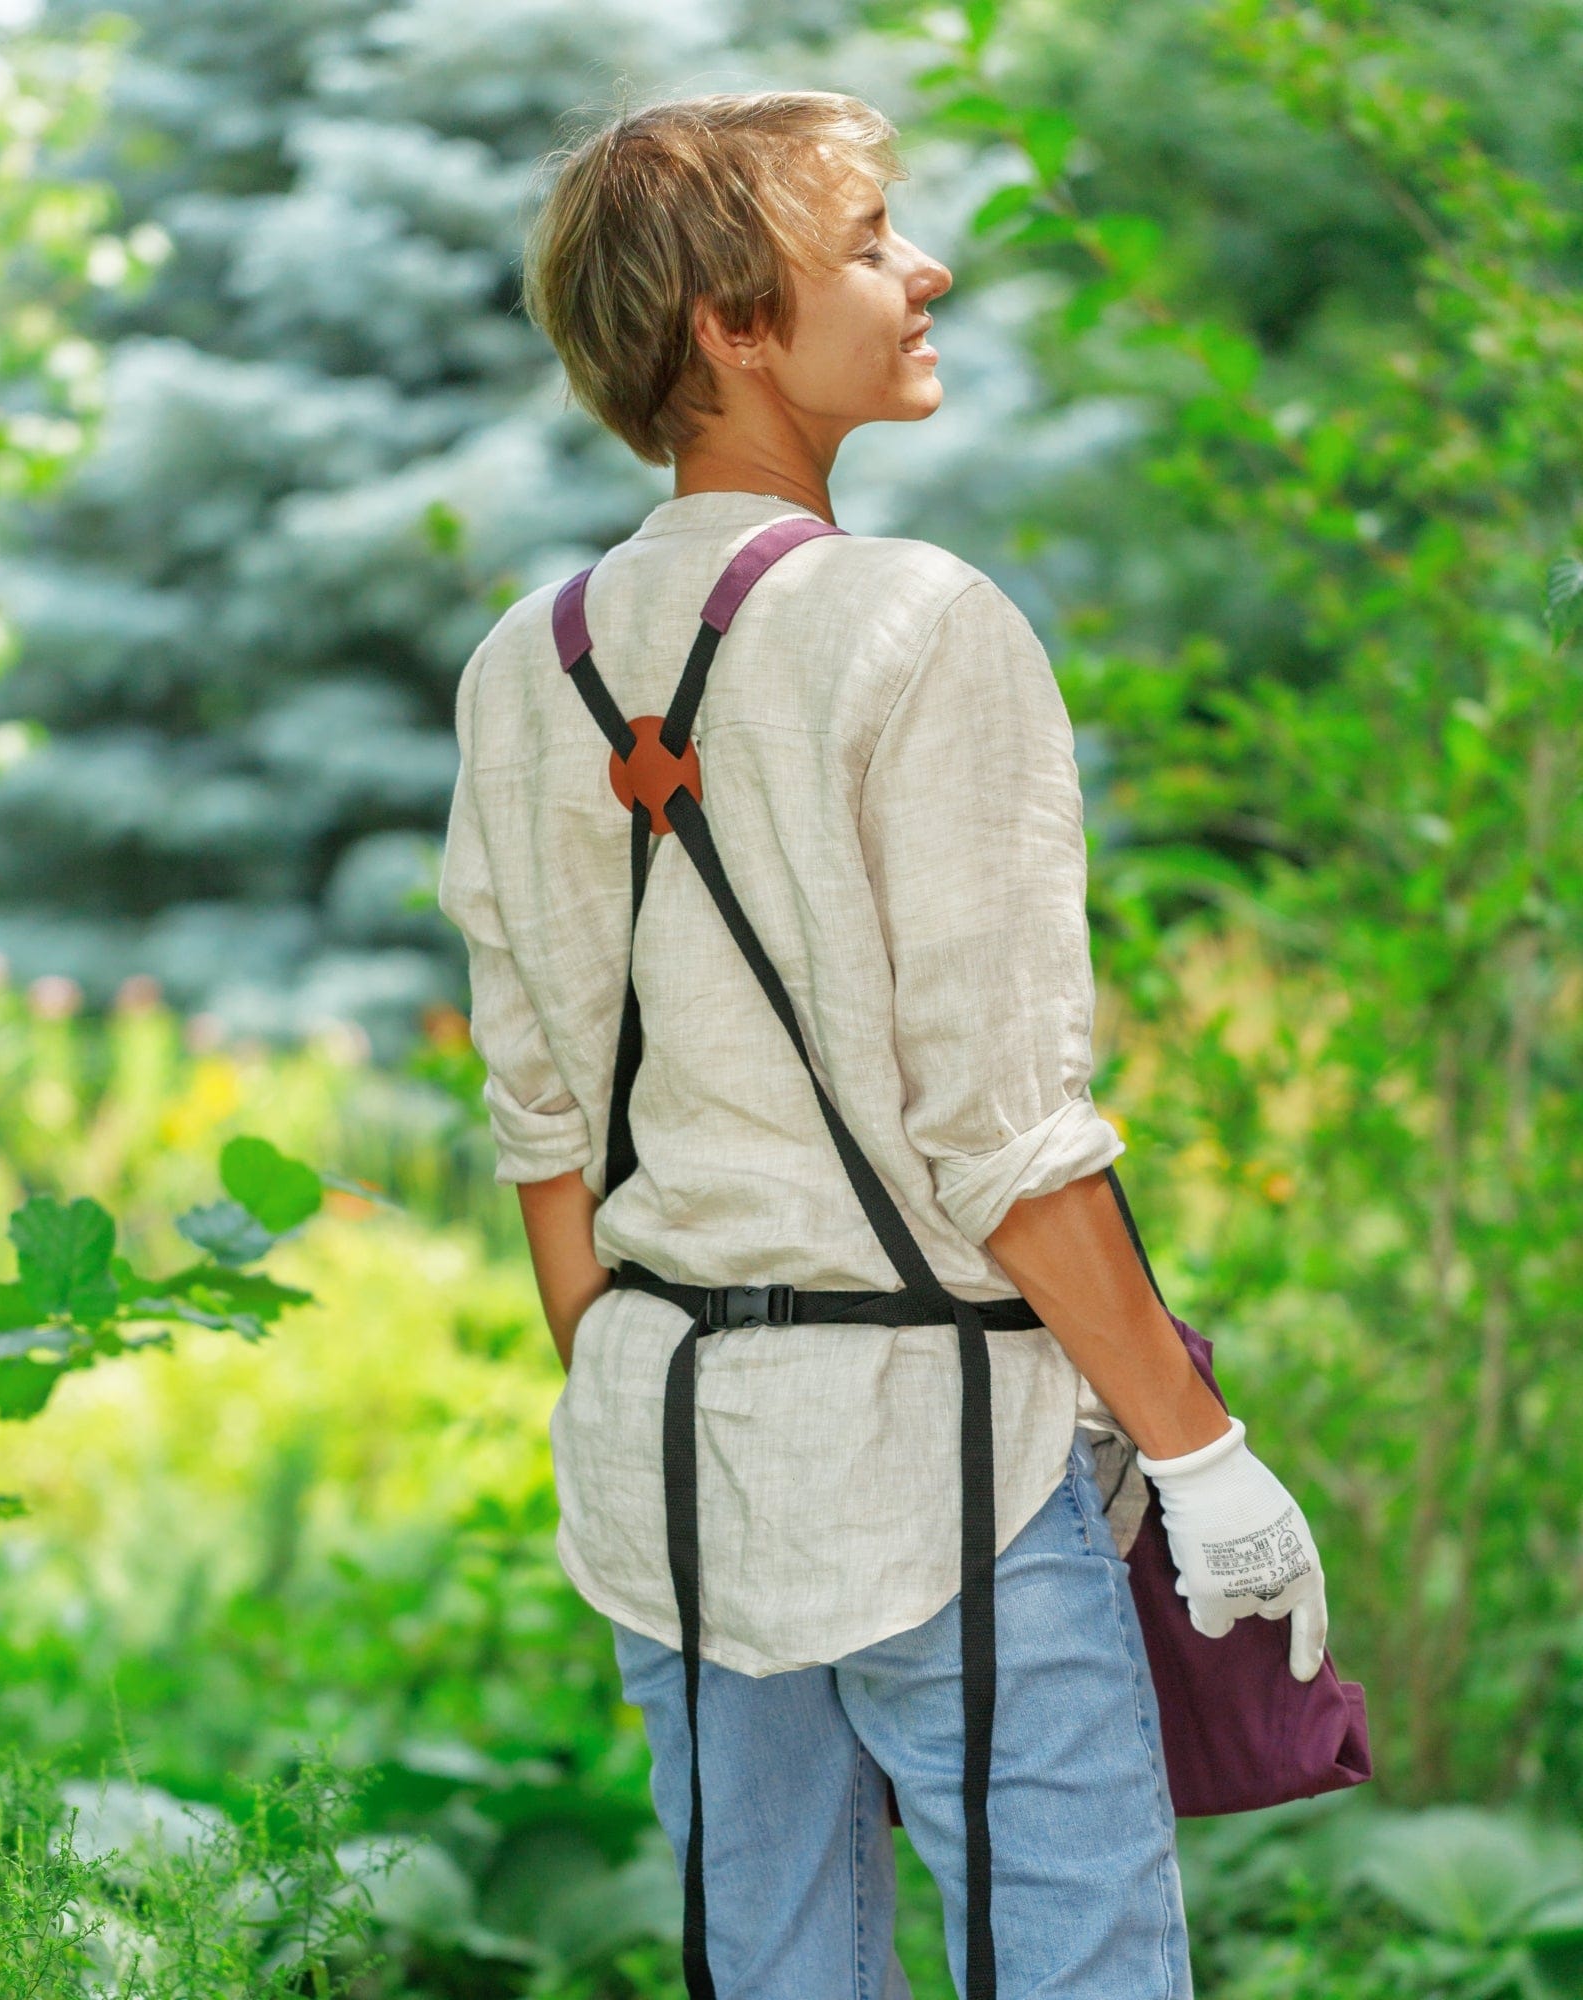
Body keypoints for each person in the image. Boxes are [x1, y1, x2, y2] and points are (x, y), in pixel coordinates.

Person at [435, 88, 1330, 2000]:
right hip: (946, 1466)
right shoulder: (920, 624)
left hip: (667, 1463)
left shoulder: (525, 666)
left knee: (771, 1975)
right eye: (864, 244)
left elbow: (543, 1139)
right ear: (729, 329)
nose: (924, 270)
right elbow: (1008, 1139)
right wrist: (1205, 1461)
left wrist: (662, 1388)